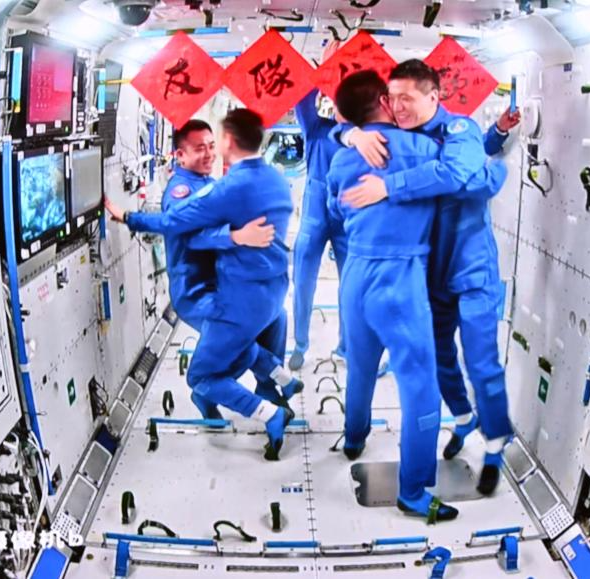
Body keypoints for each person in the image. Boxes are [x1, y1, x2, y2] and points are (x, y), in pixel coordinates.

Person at [339, 59, 518, 496]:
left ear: (433, 97)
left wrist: (389, 186)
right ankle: (463, 418)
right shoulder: (407, 140)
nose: (398, 107)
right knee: (439, 359)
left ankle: (495, 444)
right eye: (392, 98)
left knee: (481, 362)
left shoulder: (458, 131)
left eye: (407, 98)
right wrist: (350, 133)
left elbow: (458, 173)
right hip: (430, 274)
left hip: (471, 268)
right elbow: (336, 131)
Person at [104, 109, 298, 460]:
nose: (209, 153)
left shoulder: (216, 184)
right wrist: (127, 217)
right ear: (180, 155)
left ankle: (249, 393)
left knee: (248, 337)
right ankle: (268, 391)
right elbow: (184, 234)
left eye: (212, 145)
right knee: (225, 354)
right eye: (199, 148)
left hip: (224, 288)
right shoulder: (183, 190)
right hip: (197, 290)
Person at [328, 70, 466, 522]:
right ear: (386, 103)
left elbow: (335, 209)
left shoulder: (341, 159)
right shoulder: (425, 150)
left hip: (355, 275)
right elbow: (458, 172)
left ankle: (354, 438)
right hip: (401, 279)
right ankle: (413, 491)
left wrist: (349, 135)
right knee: (421, 387)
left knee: (361, 367)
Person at [289, 39, 349, 371]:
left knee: (350, 285)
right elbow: (302, 98)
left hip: (347, 217)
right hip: (314, 217)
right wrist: (327, 69)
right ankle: (300, 343)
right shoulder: (316, 130)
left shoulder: (362, 136)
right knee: (303, 281)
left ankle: (346, 346)